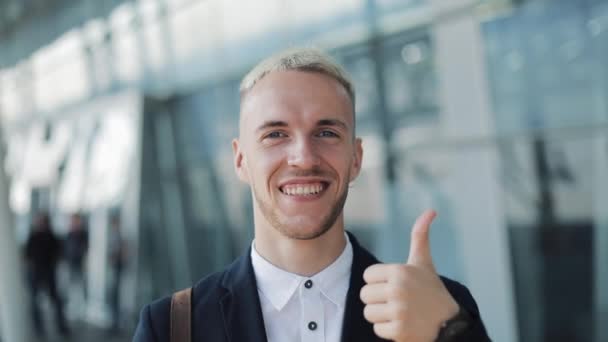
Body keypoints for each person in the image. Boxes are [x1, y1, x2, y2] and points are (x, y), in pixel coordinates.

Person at [133, 48, 490, 341]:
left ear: (356, 158)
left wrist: (452, 334)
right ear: (241, 160)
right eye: (275, 134)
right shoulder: (172, 328)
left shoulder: (439, 307)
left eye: (327, 133)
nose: (303, 158)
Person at [24, 211, 70, 337]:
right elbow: (27, 256)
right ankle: (38, 328)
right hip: (36, 274)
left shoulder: (52, 237)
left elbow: (59, 254)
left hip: (49, 274)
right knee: (34, 302)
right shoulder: (33, 237)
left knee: (56, 301)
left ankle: (61, 327)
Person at [108, 214, 128, 334]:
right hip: (115, 269)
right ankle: (114, 323)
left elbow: (123, 253)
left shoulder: (119, 238)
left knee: (115, 296)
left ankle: (115, 324)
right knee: (113, 296)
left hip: (117, 269)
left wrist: (116, 257)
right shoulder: (114, 237)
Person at [64, 212, 89, 302]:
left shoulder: (84, 234)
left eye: (76, 221)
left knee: (82, 286)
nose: (75, 223)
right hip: (70, 264)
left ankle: (83, 304)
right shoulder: (69, 235)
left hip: (82, 264)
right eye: (73, 221)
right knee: (70, 286)